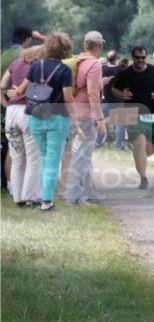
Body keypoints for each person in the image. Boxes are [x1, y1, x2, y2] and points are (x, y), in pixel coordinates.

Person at [21, 33, 75, 211]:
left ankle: (44, 197)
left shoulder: (36, 65)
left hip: (35, 116)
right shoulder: (64, 70)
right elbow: (68, 97)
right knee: (52, 160)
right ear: (65, 49)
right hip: (57, 117)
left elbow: (22, 89)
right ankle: (47, 201)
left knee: (45, 158)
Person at [111, 46, 154, 189]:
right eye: (138, 57)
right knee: (139, 143)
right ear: (133, 58)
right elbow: (114, 89)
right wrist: (121, 95)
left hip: (151, 113)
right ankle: (143, 178)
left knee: (149, 150)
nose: (141, 60)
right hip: (132, 113)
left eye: (143, 57)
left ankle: (142, 164)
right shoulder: (125, 74)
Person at [63, 31, 106, 205]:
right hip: (86, 115)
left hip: (71, 113)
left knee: (81, 155)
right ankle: (72, 197)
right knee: (82, 157)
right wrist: (100, 119)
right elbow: (93, 93)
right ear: (100, 46)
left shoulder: (76, 61)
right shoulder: (94, 64)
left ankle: (90, 194)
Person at [2, 36, 44, 206]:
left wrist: (7, 105)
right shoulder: (37, 67)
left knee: (17, 156)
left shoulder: (15, 64)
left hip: (11, 113)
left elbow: (2, 85)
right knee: (34, 157)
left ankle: (18, 198)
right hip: (28, 113)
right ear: (34, 56)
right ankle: (31, 197)